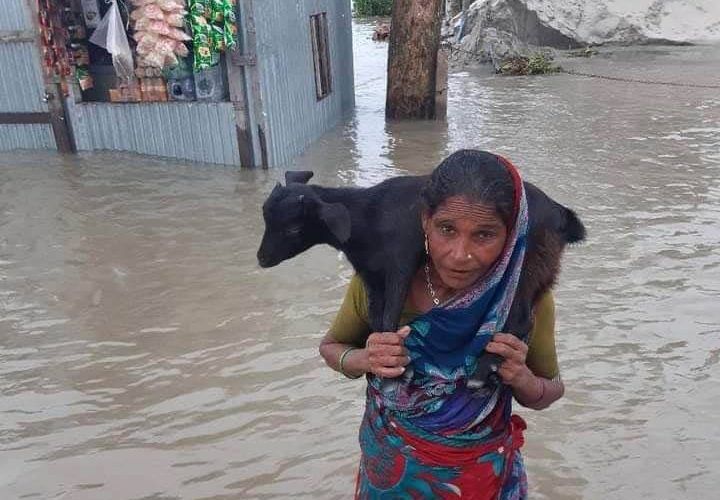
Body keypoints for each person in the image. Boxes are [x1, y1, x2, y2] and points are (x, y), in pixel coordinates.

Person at [319, 149, 565, 499]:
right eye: (446, 229)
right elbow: (331, 347)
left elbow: (551, 390)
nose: (459, 254)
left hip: (478, 482)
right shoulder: (380, 285)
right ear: (425, 221)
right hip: (388, 477)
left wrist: (523, 379)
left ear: (510, 236)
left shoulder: (524, 302)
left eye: (484, 235)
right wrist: (364, 359)